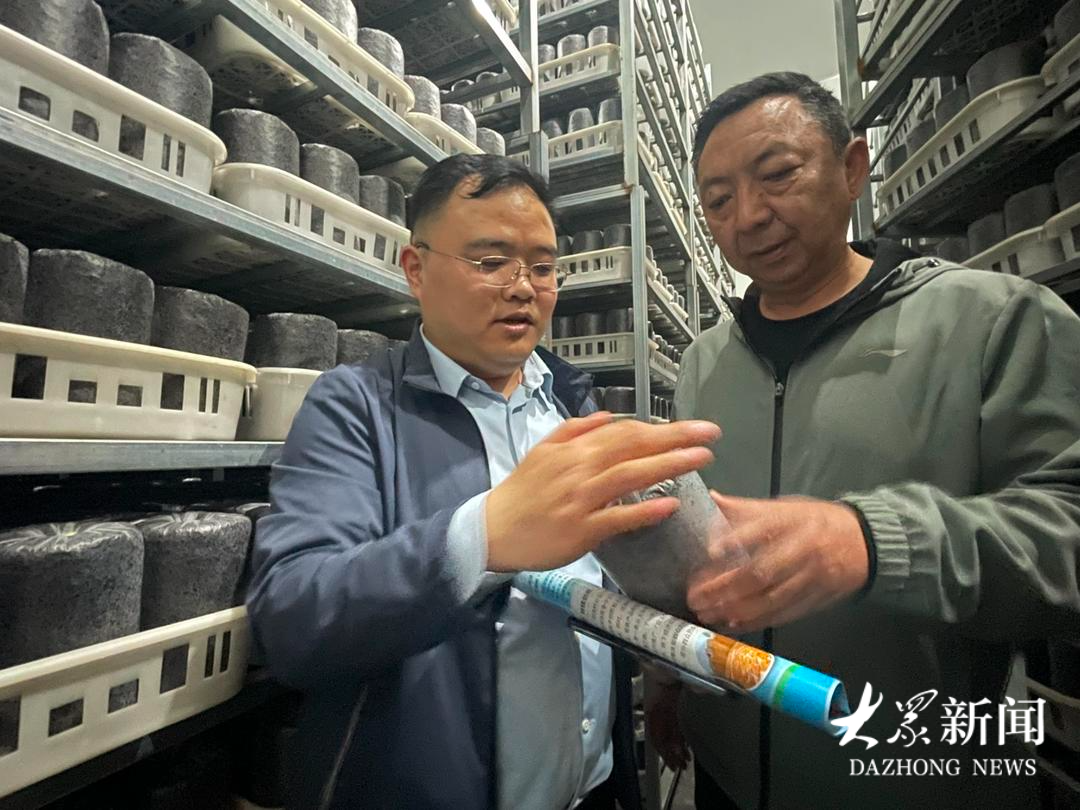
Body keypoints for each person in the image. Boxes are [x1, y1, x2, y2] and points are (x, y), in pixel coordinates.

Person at [647, 72, 1080, 810]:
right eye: (718, 201)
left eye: (778, 175)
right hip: (727, 770)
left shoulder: (993, 321)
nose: (748, 217)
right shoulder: (703, 361)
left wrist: (873, 543)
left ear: (853, 168)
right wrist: (668, 675)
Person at [245, 154, 722, 810]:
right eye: (491, 261)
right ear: (416, 269)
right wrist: (487, 536)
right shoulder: (356, 407)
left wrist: (665, 649)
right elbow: (293, 617)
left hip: (594, 791)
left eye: (543, 267)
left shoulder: (575, 408)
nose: (523, 288)